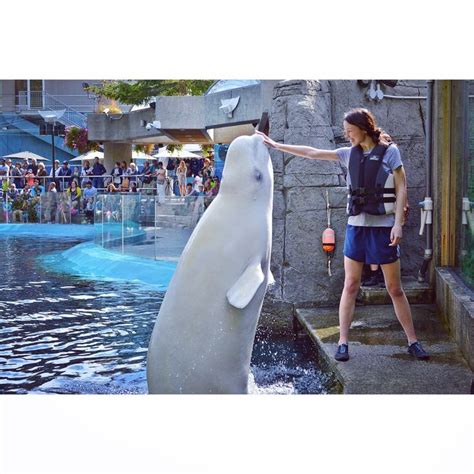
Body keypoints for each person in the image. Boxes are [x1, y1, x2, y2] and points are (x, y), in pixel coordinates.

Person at [256, 108, 429, 362]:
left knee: (394, 288)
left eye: (350, 130)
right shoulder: (348, 155)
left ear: (363, 128)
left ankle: (413, 341)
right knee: (350, 285)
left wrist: (398, 224)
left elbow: (402, 186)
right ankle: (343, 342)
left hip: (383, 228)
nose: (347, 135)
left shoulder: (390, 152)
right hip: (356, 229)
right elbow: (312, 153)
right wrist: (276, 145)